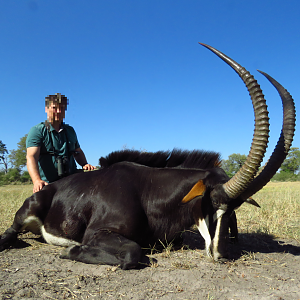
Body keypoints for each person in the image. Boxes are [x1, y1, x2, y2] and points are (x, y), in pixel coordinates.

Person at [26, 93, 96, 193]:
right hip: (48, 185)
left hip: (71, 183)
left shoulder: (70, 130)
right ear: (46, 109)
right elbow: (31, 157)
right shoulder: (37, 131)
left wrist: (85, 164)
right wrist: (37, 180)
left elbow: (78, 151)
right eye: (54, 108)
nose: (58, 111)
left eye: (62, 108)